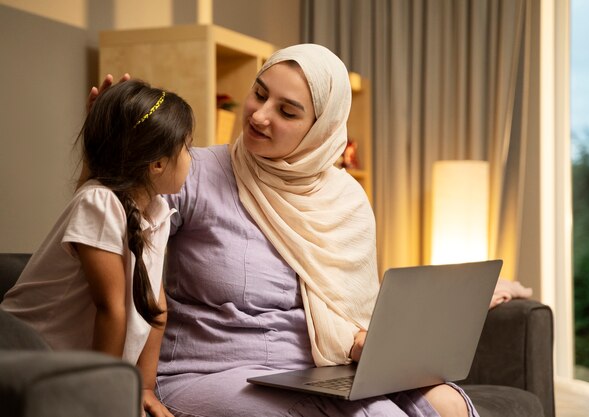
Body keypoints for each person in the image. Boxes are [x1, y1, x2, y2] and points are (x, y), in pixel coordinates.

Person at [93, 44, 478, 416]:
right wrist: (110, 147)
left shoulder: (346, 199)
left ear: (320, 130)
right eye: (258, 95)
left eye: (287, 112)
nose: (260, 116)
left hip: (317, 371)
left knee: (450, 405)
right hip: (206, 372)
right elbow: (116, 220)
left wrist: (366, 342)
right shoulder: (195, 172)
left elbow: (348, 309)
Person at [1, 79, 194, 417]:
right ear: (157, 164)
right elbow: (111, 307)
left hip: (72, 366)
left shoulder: (158, 212)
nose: (193, 157)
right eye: (187, 147)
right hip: (22, 351)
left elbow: (156, 306)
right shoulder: (99, 202)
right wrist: (107, 397)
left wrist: (145, 387)